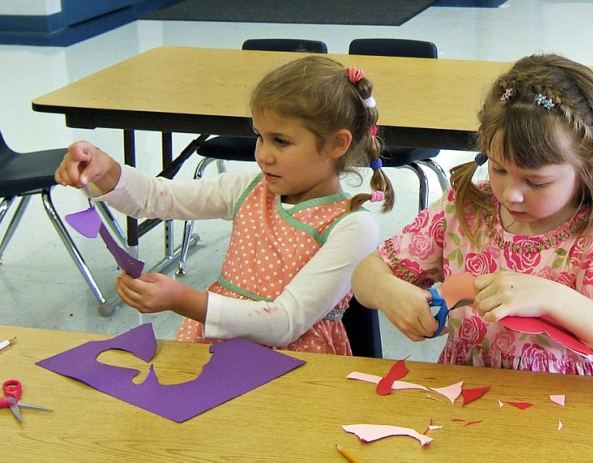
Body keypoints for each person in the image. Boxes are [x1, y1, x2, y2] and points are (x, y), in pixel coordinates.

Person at [352, 54, 593, 377]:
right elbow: (366, 275)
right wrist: (390, 293)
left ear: (591, 167)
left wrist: (554, 298)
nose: (510, 194)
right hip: (465, 405)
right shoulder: (464, 209)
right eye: (499, 168)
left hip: (563, 413)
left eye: (536, 181)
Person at [55, 55, 394, 355]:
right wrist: (105, 168)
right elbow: (157, 198)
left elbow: (285, 322)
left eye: (281, 141)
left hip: (296, 367)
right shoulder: (249, 189)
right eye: (260, 136)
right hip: (215, 352)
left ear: (337, 144)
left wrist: (181, 300)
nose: (263, 154)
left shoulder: (352, 226)